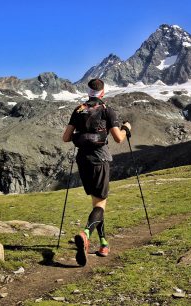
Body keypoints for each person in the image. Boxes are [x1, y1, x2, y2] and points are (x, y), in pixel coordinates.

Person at [62, 79, 131, 266]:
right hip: (100, 161)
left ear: (88, 91)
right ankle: (85, 234)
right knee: (100, 205)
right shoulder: (107, 110)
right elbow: (118, 139)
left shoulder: (78, 110)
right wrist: (126, 129)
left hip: (82, 161)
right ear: (102, 92)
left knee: (97, 203)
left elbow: (66, 137)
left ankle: (103, 243)